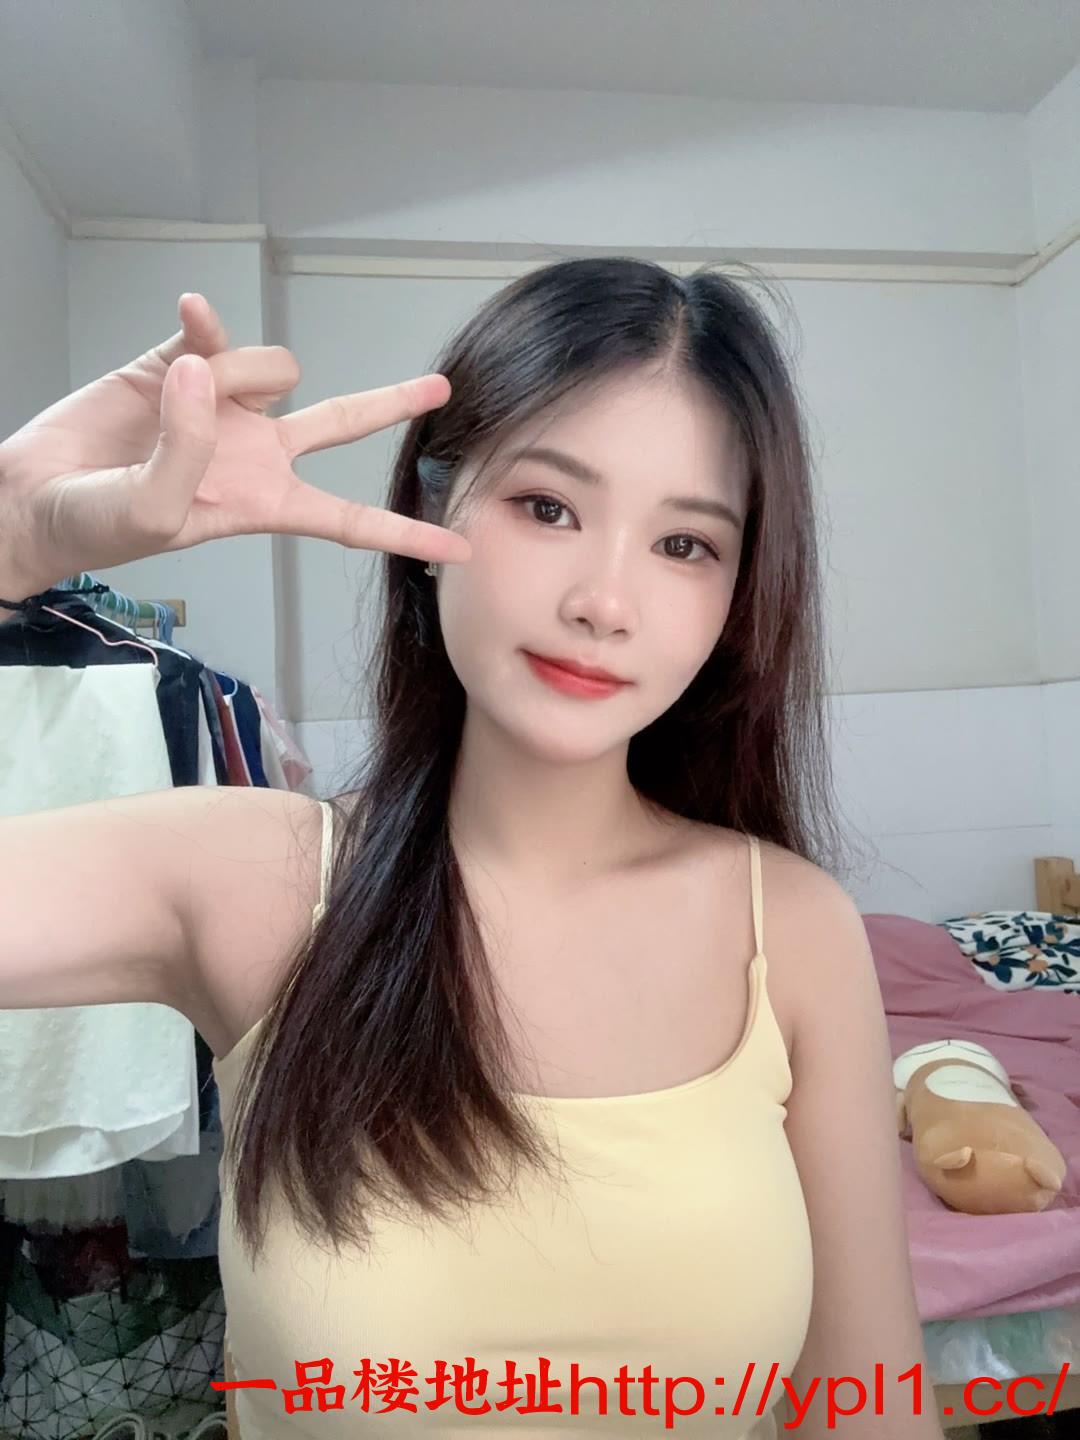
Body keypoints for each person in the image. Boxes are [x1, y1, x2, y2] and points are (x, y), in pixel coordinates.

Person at [0, 264, 945, 1439]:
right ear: (431, 509)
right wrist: (12, 533)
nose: (605, 602)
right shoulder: (249, 882)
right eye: (548, 507)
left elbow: (867, 1408)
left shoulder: (791, 929)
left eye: (684, 544)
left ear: (738, 597)